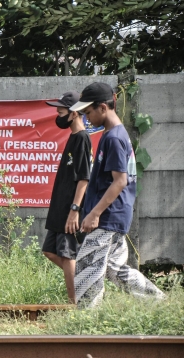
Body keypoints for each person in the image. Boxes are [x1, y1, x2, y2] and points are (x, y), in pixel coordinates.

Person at [69, 82, 165, 308]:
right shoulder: (114, 134)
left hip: (106, 217)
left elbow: (120, 180)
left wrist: (94, 213)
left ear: (103, 107)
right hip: (116, 215)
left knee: (86, 272)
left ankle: (86, 327)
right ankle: (159, 302)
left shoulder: (113, 138)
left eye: (88, 112)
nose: (86, 118)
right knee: (115, 269)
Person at [43, 91, 92, 304]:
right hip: (59, 207)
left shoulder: (82, 138)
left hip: (69, 209)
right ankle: (85, 279)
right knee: (50, 251)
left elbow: (84, 178)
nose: (58, 115)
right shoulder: (73, 137)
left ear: (73, 113)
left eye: (61, 111)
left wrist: (75, 210)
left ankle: (75, 302)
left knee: (66, 254)